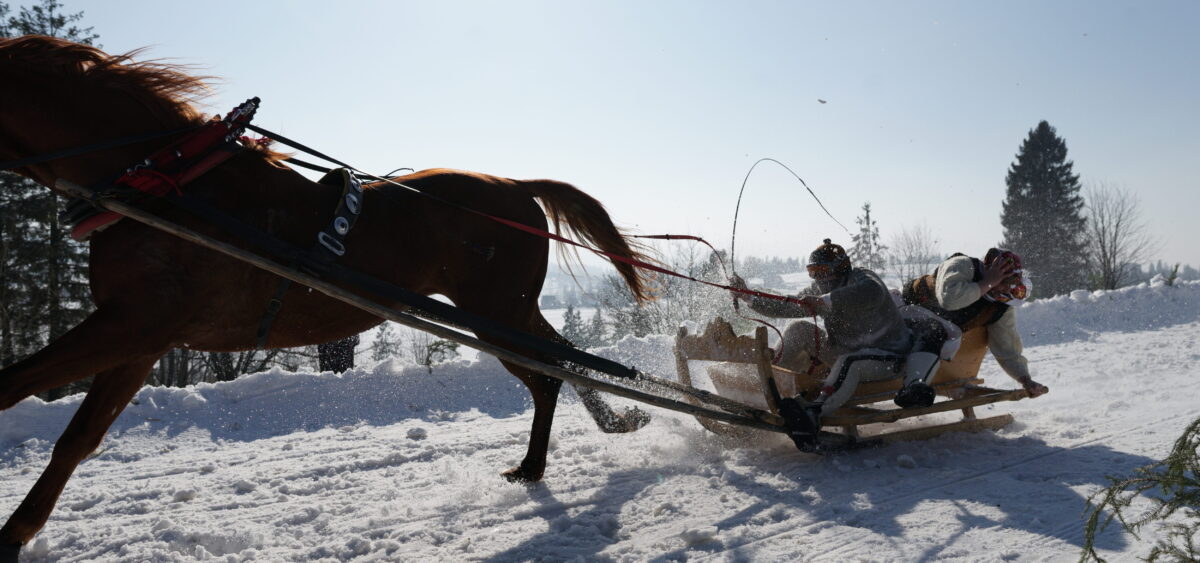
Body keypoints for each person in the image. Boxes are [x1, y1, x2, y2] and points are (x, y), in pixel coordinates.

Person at [730, 239, 949, 447]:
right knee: (799, 330)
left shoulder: (863, 279)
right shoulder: (819, 290)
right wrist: (748, 297)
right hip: (846, 350)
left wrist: (826, 301)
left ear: (841, 268)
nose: (817, 278)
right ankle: (771, 386)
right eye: (812, 272)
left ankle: (813, 413)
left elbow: (871, 292)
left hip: (888, 355)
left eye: (822, 272)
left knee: (849, 361)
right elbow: (789, 305)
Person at [901, 249, 1049, 398]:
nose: (1003, 290)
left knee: (938, 332)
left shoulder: (1000, 306)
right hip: (907, 312)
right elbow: (949, 300)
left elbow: (1007, 349)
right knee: (933, 331)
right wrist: (987, 283)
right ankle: (914, 387)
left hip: (941, 328)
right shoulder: (961, 265)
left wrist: (1026, 380)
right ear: (989, 271)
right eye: (1002, 282)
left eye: (1008, 285)